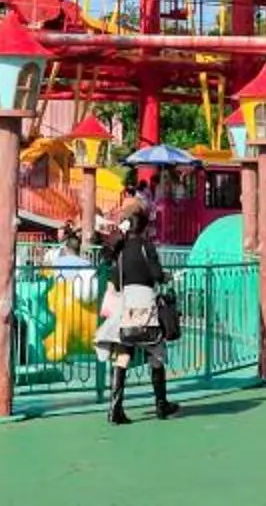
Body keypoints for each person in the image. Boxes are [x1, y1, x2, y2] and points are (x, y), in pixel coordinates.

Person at [94, 179, 181, 426]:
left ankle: (115, 409)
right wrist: (167, 276)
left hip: (126, 308)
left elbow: (117, 281)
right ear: (143, 227)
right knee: (157, 353)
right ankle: (161, 405)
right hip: (146, 306)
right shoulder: (146, 246)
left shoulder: (120, 249)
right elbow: (155, 275)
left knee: (124, 353)